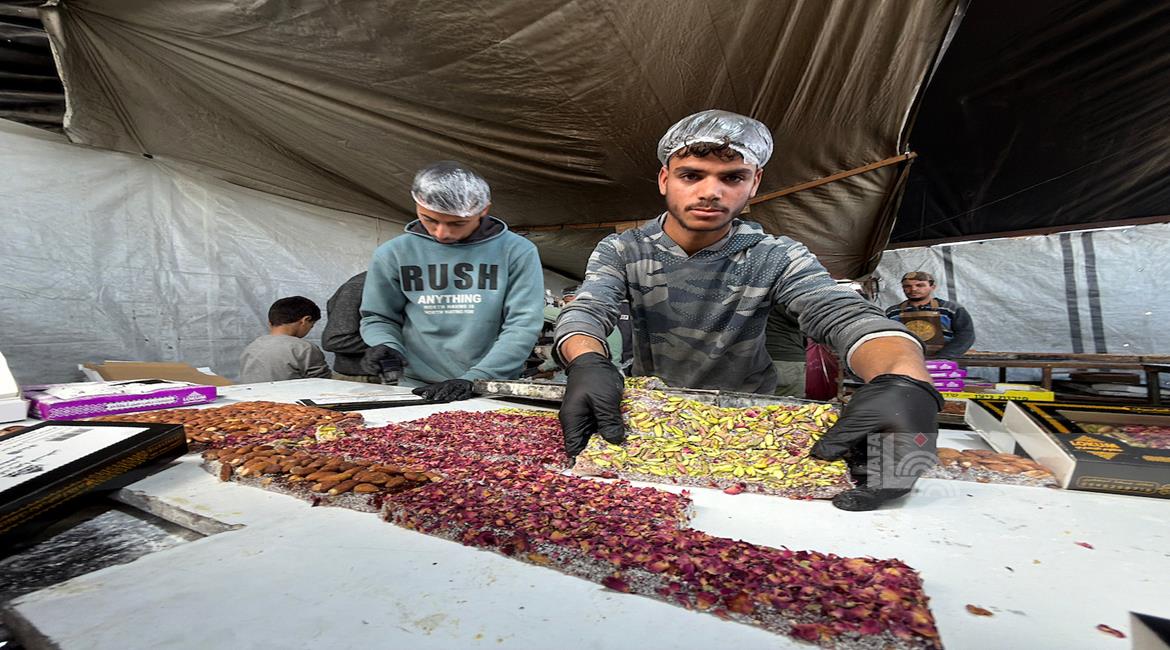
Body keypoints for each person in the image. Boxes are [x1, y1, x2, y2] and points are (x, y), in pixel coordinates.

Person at [554, 110, 942, 511]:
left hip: (751, 421)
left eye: (732, 178)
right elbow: (590, 307)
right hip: (650, 417)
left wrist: (905, 381)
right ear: (664, 179)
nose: (710, 192)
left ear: (754, 182)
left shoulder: (775, 256)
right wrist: (586, 361)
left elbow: (842, 313)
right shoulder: (624, 249)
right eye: (692, 175)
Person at [359, 161, 545, 402]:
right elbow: (379, 316)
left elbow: (522, 324)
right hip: (417, 387)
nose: (441, 233)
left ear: (484, 210)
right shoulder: (393, 253)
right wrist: (385, 344)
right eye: (429, 219)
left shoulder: (516, 251)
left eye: (457, 223)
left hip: (491, 385)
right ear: (417, 205)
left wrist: (477, 378)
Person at [238, 296, 332, 383]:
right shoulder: (304, 348)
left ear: (270, 322)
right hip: (291, 396)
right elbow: (322, 382)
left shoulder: (252, 346)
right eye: (312, 325)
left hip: (252, 395)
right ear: (305, 320)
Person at [885, 271, 975, 359]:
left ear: (932, 287)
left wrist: (944, 357)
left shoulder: (951, 309)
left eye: (920, 285)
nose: (913, 289)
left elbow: (966, 336)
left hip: (945, 362)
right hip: (905, 360)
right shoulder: (892, 312)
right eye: (907, 286)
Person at [322, 272, 378, 383]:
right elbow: (335, 340)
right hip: (365, 379)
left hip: (384, 376)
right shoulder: (360, 285)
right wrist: (394, 341)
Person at [765, 305, 806, 398]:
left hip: (757, 357)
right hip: (785, 360)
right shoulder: (784, 299)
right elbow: (807, 318)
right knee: (788, 405)